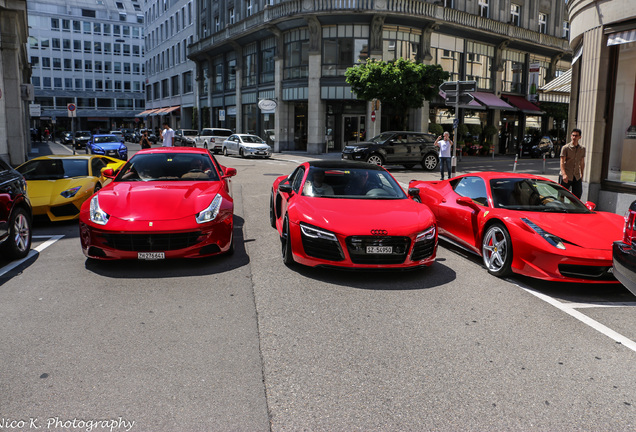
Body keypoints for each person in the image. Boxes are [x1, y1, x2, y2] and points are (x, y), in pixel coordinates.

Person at [559, 128, 585, 198]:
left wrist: (582, 174)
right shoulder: (565, 148)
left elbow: (582, 162)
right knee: (561, 195)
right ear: (571, 136)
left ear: (580, 137)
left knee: (577, 195)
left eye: (576, 136)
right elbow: (562, 162)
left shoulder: (582, 149)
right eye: (573, 135)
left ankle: (575, 208)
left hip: (576, 176)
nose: (574, 137)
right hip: (566, 175)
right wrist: (564, 174)